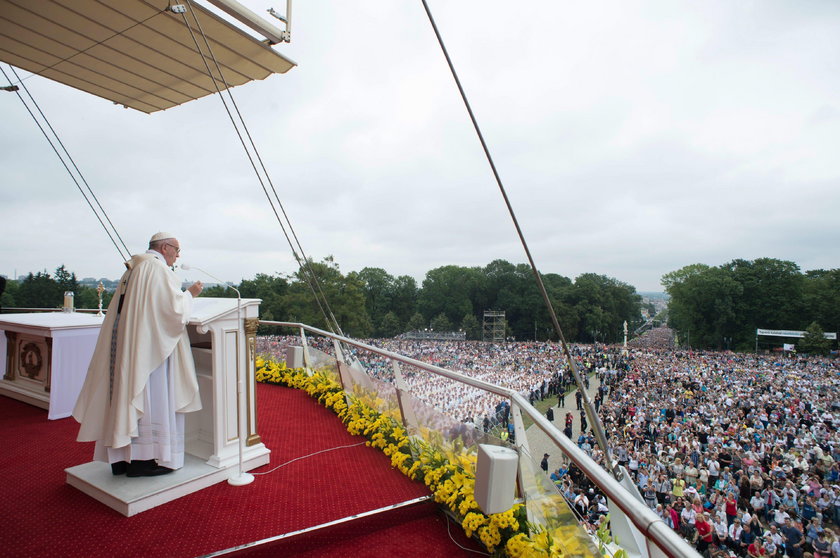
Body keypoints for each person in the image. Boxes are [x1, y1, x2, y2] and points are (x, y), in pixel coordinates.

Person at [73, 233, 204, 477]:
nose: (178, 255)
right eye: (177, 249)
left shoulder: (134, 268)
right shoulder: (156, 269)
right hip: (149, 353)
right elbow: (172, 311)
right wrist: (190, 294)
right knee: (150, 397)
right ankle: (143, 459)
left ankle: (122, 458)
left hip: (130, 346)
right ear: (165, 248)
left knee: (125, 395)